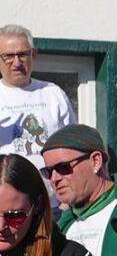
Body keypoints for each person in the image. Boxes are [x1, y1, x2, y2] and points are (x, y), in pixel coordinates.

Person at [40, 125, 117, 256]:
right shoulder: (58, 225)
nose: (54, 179)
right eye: (48, 171)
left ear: (95, 161)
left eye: (63, 167)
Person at [0, 25, 76, 185]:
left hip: (54, 204)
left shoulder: (53, 93)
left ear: (33, 54)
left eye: (22, 54)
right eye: (8, 56)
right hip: (6, 204)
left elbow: (73, 148)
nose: (16, 62)